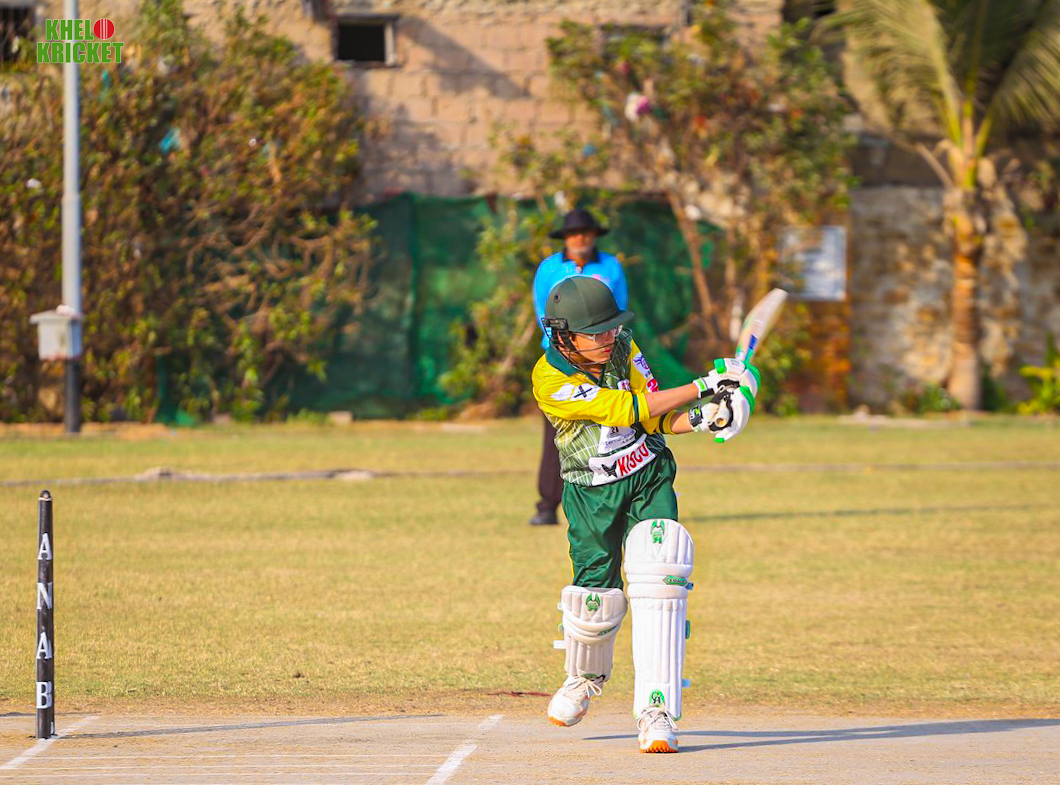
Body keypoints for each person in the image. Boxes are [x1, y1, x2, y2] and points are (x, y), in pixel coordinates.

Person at [532, 276, 759, 753]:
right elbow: (625, 408)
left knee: (662, 578)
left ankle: (657, 710)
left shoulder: (622, 347)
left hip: (647, 474)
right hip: (591, 492)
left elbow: (654, 418)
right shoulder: (550, 379)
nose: (608, 338)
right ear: (564, 335)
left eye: (611, 328)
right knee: (594, 594)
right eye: (595, 333)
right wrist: (704, 384)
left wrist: (705, 416)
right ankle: (585, 677)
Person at [528, 208, 629, 526]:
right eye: (573, 233)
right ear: (566, 238)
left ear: (594, 235)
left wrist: (610, 348)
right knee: (558, 431)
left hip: (603, 356)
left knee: (615, 427)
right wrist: (566, 348)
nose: (580, 238)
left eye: (585, 232)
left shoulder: (611, 266)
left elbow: (620, 308)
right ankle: (547, 504)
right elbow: (541, 308)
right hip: (563, 360)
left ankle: (617, 502)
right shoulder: (550, 267)